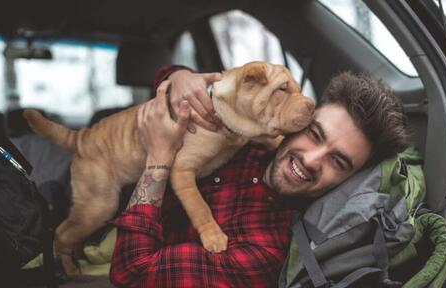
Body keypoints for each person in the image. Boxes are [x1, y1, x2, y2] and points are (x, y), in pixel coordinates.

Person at [109, 67, 409, 287]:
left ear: (349, 181)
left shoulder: (264, 249)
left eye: (339, 162)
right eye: (314, 134)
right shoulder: (253, 135)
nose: (310, 159)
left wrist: (158, 160)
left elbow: (130, 274)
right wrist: (178, 76)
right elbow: (230, 86)